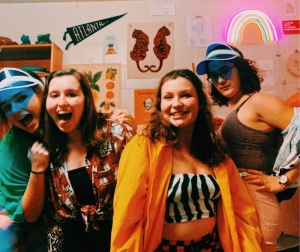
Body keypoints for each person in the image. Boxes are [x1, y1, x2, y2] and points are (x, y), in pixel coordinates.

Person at [111, 69, 262, 252]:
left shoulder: (214, 150)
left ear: (199, 102)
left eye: (185, 95)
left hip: (213, 246)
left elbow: (242, 210)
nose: (176, 104)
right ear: (160, 105)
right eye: (168, 97)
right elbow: (126, 217)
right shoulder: (143, 146)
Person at [0, 67, 137, 252]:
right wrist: (37, 169)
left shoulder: (113, 133)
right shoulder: (18, 151)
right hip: (23, 231)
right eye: (7, 107)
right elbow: (37, 217)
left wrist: (127, 131)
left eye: (20, 98)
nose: (16, 110)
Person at [196, 42, 300, 252]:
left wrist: (282, 180)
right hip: (241, 203)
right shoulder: (238, 106)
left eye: (225, 70)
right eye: (213, 76)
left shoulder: (259, 101)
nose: (220, 80)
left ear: (241, 69)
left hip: (258, 204)